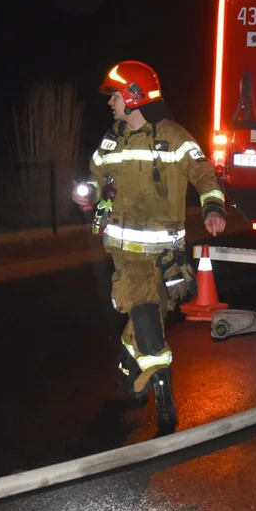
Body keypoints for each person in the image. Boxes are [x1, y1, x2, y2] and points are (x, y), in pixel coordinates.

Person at [73, 60, 227, 430]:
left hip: (165, 256)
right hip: (126, 257)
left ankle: (130, 377)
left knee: (147, 321)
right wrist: (89, 192)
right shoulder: (112, 139)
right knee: (144, 316)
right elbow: (95, 175)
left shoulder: (173, 137)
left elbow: (203, 171)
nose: (110, 103)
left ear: (133, 96)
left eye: (114, 95)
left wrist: (213, 205)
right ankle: (165, 400)